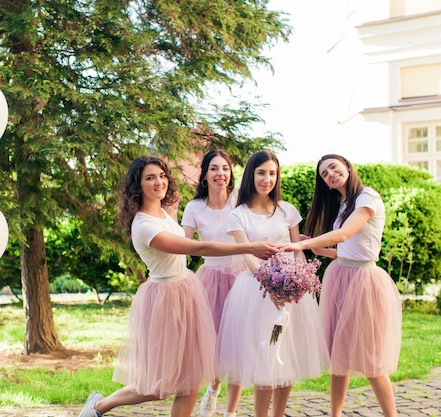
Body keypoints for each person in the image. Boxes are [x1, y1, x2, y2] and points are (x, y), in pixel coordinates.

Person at [79, 155, 278, 417]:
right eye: (150, 178)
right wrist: (248, 247)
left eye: (162, 176)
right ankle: (99, 405)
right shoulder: (143, 225)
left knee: (191, 380)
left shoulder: (163, 211)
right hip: (165, 298)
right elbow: (197, 247)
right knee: (160, 385)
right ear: (138, 185)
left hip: (187, 290)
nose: (159, 181)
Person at [279, 154, 402, 417]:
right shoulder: (346, 203)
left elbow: (345, 234)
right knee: (338, 354)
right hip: (340, 276)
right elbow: (347, 248)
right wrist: (318, 247)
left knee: (371, 358)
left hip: (364, 282)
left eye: (333, 167)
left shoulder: (368, 197)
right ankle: (335, 414)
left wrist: (302, 245)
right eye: (324, 174)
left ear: (346, 166)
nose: (330, 174)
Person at [216, 150, 329, 417]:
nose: (267, 179)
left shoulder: (287, 210)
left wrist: (299, 279)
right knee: (265, 359)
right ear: (251, 175)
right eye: (261, 173)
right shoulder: (238, 215)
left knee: (285, 357)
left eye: (272, 173)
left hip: (292, 294)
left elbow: (297, 249)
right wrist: (269, 286)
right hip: (257, 294)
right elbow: (247, 255)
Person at [181, 149, 246, 417]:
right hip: (210, 279)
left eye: (225, 168)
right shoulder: (194, 207)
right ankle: (212, 389)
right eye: (214, 169)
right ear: (205, 174)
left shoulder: (240, 202)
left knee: (239, 344)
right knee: (214, 344)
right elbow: (185, 246)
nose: (221, 174)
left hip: (242, 276)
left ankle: (230, 411)